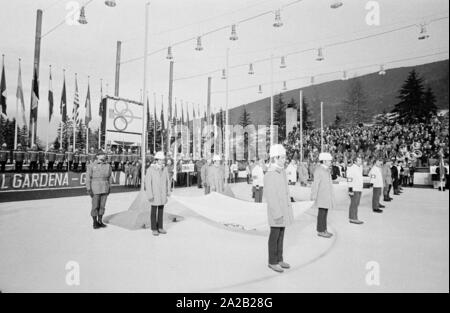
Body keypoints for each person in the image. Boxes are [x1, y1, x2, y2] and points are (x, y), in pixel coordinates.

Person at [264, 144, 294, 273]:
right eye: (281, 157)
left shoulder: (281, 172)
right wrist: (277, 213)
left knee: (281, 235)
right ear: (275, 158)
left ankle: (279, 258)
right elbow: (271, 197)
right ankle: (272, 261)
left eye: (284, 157)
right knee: (274, 235)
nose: (284, 160)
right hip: (277, 213)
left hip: (283, 211)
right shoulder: (270, 174)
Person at [144, 151, 171, 236]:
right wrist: (150, 195)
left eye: (163, 160)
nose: (162, 161)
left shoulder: (165, 169)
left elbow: (168, 181)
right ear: (156, 160)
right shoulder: (150, 170)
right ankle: (154, 228)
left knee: (161, 210)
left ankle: (160, 227)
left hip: (162, 194)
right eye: (161, 160)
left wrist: (168, 191)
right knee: (154, 211)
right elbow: (148, 183)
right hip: (154, 194)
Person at [85, 150, 113, 229]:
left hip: (105, 188)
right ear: (97, 156)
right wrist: (89, 189)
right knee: (95, 206)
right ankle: (94, 222)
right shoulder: (91, 165)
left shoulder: (108, 166)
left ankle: (100, 221)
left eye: (104, 154)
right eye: (101, 154)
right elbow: (88, 178)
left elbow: (110, 177)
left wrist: (110, 187)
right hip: (95, 189)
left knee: (102, 206)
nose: (103, 156)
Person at [311, 152, 335, 238]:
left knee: (325, 213)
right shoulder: (319, 170)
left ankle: (324, 229)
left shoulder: (326, 170)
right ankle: (320, 230)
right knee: (321, 214)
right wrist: (313, 196)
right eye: (329, 161)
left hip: (326, 196)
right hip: (321, 196)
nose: (330, 162)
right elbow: (315, 184)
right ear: (324, 161)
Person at [346, 157, 364, 224]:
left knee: (356, 204)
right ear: (355, 162)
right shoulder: (352, 168)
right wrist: (350, 190)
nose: (360, 162)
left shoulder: (359, 168)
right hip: (354, 189)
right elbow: (349, 179)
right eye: (359, 160)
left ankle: (354, 217)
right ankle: (353, 218)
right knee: (354, 204)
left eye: (361, 160)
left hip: (359, 188)